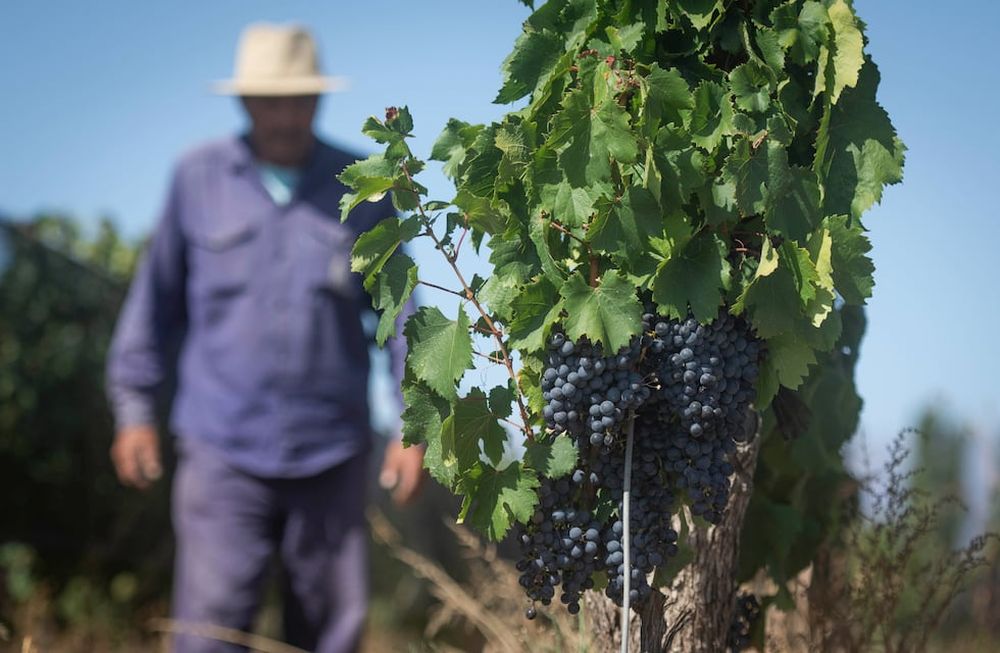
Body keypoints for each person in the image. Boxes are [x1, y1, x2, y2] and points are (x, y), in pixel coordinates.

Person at [105, 23, 424, 653]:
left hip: (331, 452)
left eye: (299, 99)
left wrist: (414, 426)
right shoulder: (197, 179)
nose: (285, 113)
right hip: (222, 451)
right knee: (210, 633)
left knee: (329, 634)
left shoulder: (361, 190)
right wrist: (134, 411)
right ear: (244, 102)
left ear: (318, 99)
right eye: (270, 100)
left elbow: (404, 316)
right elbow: (154, 304)